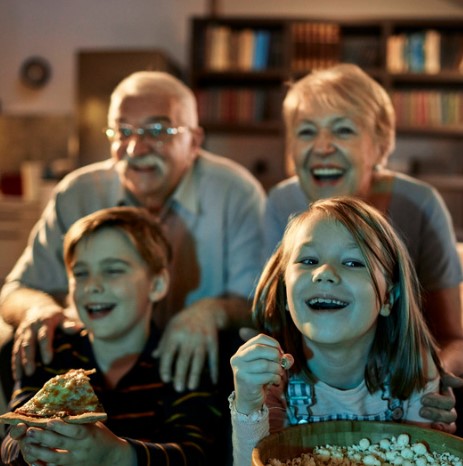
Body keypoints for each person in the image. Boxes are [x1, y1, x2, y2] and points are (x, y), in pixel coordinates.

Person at [0, 70, 265, 399]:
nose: (136, 148)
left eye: (157, 130)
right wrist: (38, 310)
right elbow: (15, 291)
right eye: (123, 131)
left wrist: (210, 311)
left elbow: (258, 305)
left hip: (195, 371)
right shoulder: (77, 193)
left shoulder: (236, 192)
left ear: (194, 142)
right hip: (96, 366)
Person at [264, 63, 463, 426]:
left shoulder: (420, 203)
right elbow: (278, 319)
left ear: (380, 144)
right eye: (306, 131)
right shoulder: (280, 203)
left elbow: (453, 337)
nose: (322, 146)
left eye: (343, 129)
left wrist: (429, 382)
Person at [230, 196, 444, 466]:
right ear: (285, 291)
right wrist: (248, 404)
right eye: (308, 260)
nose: (324, 272)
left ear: (389, 298)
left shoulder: (415, 369)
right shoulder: (271, 377)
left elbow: (423, 458)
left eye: (353, 262)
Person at [1, 206, 222, 465]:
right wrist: (26, 447)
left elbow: (196, 454)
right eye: (81, 273)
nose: (93, 285)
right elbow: (10, 440)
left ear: (157, 284)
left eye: (113, 270)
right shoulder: (50, 349)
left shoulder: (182, 358)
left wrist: (117, 455)